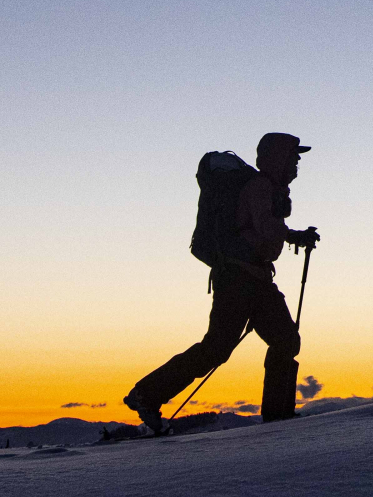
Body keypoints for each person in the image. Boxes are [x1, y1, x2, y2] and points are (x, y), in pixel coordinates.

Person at [126, 132, 320, 433]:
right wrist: (289, 232)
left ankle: (278, 418)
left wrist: (292, 234)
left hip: (250, 279)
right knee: (219, 347)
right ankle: (147, 395)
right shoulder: (261, 188)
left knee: (283, 341)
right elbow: (266, 233)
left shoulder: (267, 189)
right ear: (278, 158)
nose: (297, 163)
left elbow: (260, 229)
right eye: (294, 157)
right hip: (240, 280)